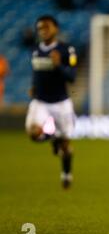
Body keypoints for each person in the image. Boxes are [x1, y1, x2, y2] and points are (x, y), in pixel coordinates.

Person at [25, 15, 77, 189]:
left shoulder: (66, 50)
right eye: (40, 28)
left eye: (47, 27)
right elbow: (36, 71)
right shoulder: (35, 50)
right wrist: (33, 86)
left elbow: (72, 77)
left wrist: (58, 65)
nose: (43, 31)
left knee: (65, 146)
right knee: (33, 133)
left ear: (56, 28)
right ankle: (51, 135)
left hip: (61, 102)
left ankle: (66, 173)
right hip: (40, 101)